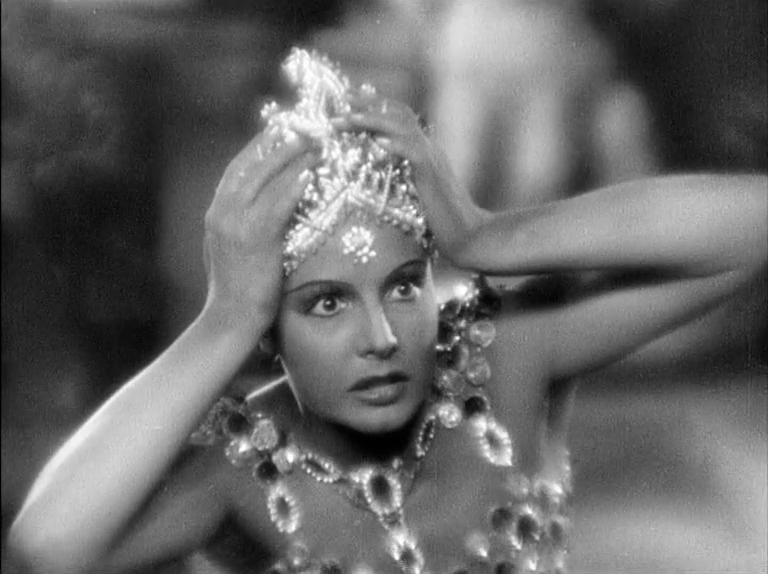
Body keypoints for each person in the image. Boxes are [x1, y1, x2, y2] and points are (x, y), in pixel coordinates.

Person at [7, 48, 767, 574]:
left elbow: (751, 229)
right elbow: (43, 550)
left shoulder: (504, 358)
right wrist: (224, 319)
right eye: (326, 303)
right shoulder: (236, 474)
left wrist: (487, 237)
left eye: (403, 288)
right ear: (270, 330)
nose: (381, 338)